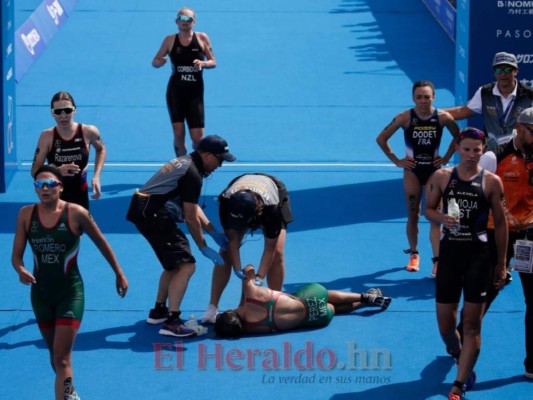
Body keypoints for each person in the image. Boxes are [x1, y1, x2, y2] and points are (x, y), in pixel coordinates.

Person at [11, 165, 128, 400]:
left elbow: (102, 243)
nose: (44, 189)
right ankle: (69, 391)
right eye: (39, 185)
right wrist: (20, 269)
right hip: (41, 295)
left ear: (60, 188)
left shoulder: (76, 213)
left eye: (50, 184)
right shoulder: (26, 214)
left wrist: (119, 273)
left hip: (70, 293)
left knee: (63, 357)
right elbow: (16, 255)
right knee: (55, 358)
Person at [424, 127, 508, 399]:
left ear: (483, 151)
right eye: (467, 149)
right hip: (450, 257)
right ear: (458, 148)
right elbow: (428, 209)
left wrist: (501, 263)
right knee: (446, 326)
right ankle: (459, 354)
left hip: (479, 258)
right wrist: (441, 219)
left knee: (472, 324)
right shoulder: (442, 177)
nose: (472, 155)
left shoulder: (492, 182)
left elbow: (502, 223)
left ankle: (458, 384)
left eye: (477, 150)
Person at [126, 135, 235, 338]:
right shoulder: (192, 173)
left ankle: (159, 311)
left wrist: (212, 232)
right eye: (220, 159)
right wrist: (203, 246)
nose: (220, 165)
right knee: (186, 265)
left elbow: (192, 207)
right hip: (154, 214)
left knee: (174, 264)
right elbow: (191, 218)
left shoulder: (188, 163)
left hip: (145, 210)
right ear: (207, 155)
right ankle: (172, 322)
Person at [458, 107, 533, 379]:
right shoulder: (495, 156)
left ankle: (532, 365)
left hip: (529, 236)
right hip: (494, 233)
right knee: (488, 291)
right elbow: (472, 193)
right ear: (521, 128)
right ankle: (461, 337)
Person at [376, 81, 459, 275]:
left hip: (433, 172)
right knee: (413, 214)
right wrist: (397, 160)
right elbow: (381, 138)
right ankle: (414, 253)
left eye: (427, 97)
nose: (423, 101)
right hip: (412, 171)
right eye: (419, 97)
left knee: (435, 217)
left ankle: (437, 261)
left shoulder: (443, 117)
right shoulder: (404, 118)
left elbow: (459, 136)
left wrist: (446, 157)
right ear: (413, 98)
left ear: (433, 97)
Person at [201, 173, 293, 324]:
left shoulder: (272, 210)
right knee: (225, 251)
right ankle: (212, 307)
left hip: (273, 191)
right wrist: (237, 268)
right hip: (239, 189)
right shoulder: (226, 201)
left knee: (277, 253)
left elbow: (269, 248)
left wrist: (260, 277)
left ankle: (275, 304)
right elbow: (232, 241)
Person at [214, 265, 391, 337]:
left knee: (332, 308)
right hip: (311, 297)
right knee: (325, 295)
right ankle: (366, 296)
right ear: (228, 312)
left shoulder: (251, 329)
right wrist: (247, 276)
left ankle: (362, 303)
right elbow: (249, 270)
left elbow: (243, 316)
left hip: (317, 319)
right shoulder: (250, 293)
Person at [152, 7, 216, 157]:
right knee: (179, 134)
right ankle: (181, 167)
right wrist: (159, 62)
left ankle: (199, 165)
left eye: (188, 19)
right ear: (176, 21)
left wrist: (203, 63)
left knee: (198, 140)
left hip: (195, 94)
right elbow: (154, 61)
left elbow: (213, 61)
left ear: (194, 22)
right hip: (176, 92)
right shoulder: (169, 40)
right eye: (182, 19)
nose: (185, 22)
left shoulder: (202, 38)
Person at [31, 91, 107, 210]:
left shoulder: (89, 131)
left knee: (78, 228)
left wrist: (96, 176)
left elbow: (101, 149)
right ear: (52, 113)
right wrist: (56, 171)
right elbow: (34, 171)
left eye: (67, 110)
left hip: (80, 195)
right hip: (54, 197)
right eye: (57, 112)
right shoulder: (47, 136)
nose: (63, 116)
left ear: (74, 110)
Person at [446, 51, 533, 152]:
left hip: (520, 152)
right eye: (499, 70)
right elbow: (462, 111)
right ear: (494, 72)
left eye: (508, 69)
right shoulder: (484, 92)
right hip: (491, 152)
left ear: (516, 71)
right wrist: (434, 113)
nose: (503, 74)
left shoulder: (529, 95)